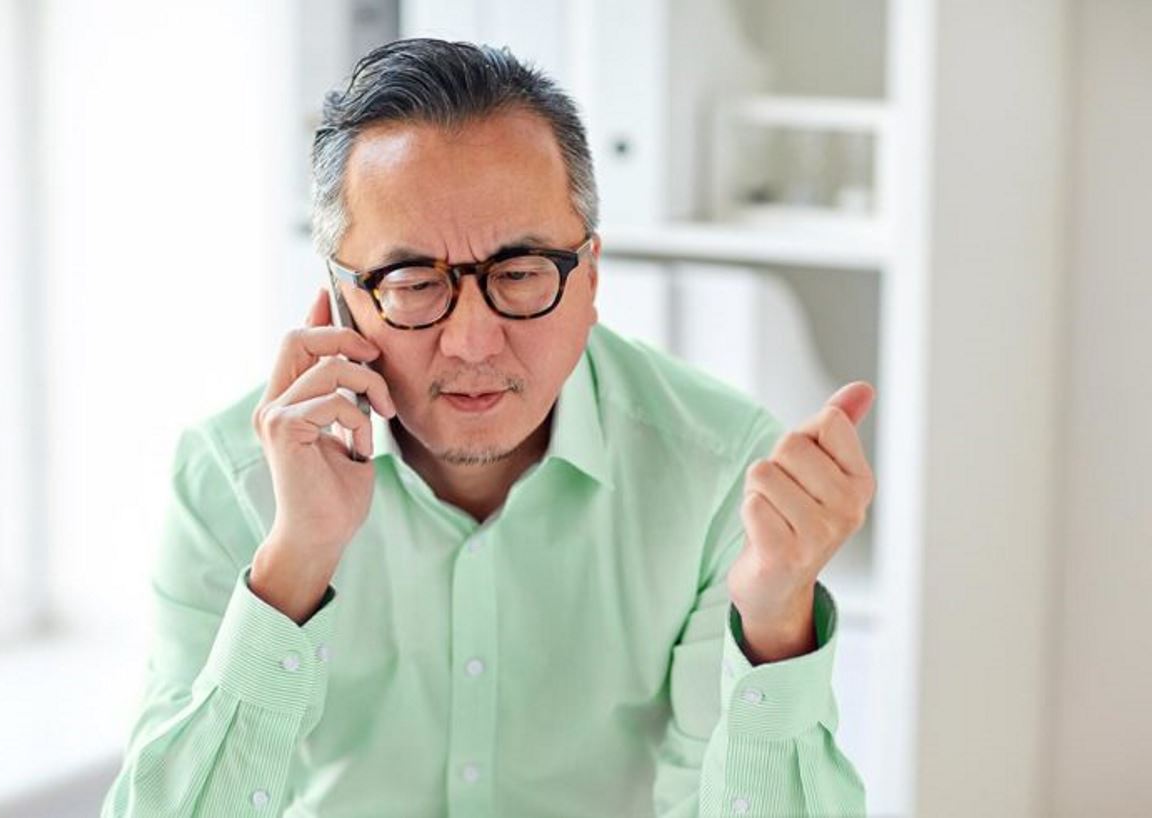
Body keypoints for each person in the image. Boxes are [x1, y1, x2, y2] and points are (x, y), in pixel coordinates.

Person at [101, 38, 875, 818]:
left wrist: (775, 624)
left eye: (519, 273)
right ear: (338, 298)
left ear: (592, 279)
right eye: (411, 283)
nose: (472, 342)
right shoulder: (226, 477)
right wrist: (294, 563)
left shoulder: (722, 474)